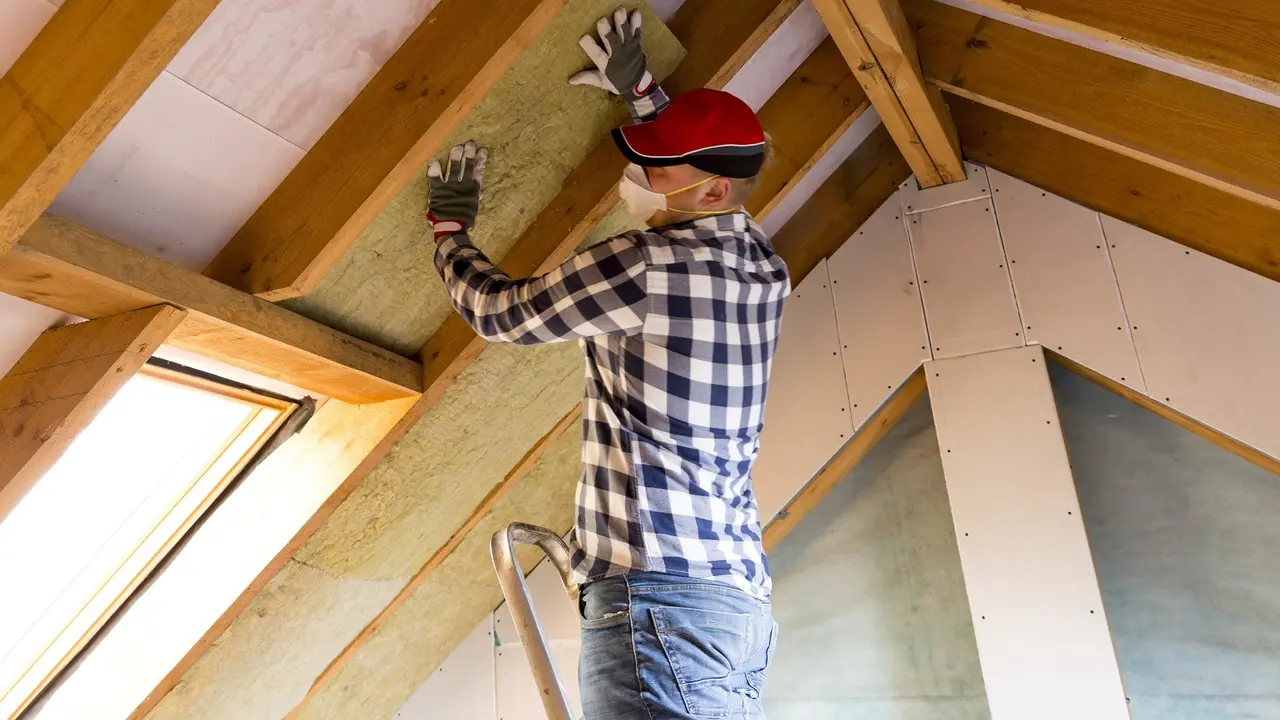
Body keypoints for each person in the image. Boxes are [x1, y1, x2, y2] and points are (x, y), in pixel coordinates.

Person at [426, 8, 789, 719]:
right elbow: (707, 169)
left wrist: (448, 231)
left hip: (659, 604)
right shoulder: (762, 265)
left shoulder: (646, 267)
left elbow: (502, 313)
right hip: (731, 608)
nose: (636, 172)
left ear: (711, 190)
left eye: (656, 163)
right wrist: (645, 95)